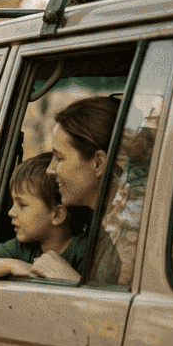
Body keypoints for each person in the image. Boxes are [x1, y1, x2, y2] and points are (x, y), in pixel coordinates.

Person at [0, 153, 89, 283]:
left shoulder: (85, 251)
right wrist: (13, 265)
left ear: (58, 215)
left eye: (22, 205)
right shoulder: (23, 248)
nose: (11, 212)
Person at [46, 95, 124, 282]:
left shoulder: (130, 234)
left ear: (98, 163)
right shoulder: (98, 224)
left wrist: (70, 280)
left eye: (60, 158)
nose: (50, 169)